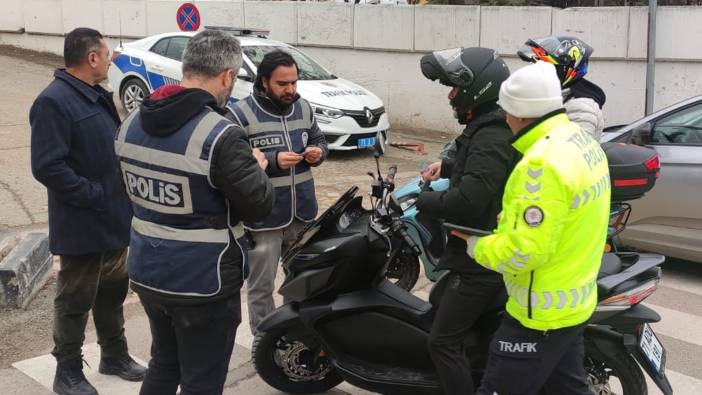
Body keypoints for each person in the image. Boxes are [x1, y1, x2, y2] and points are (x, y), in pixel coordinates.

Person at [114, 30, 274, 394]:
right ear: (228, 76)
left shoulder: (130, 123)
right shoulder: (221, 134)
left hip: (148, 271)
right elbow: (260, 206)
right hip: (204, 281)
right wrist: (258, 169)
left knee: (164, 364)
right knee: (202, 380)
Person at [454, 61, 610, 395]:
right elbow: (570, 215)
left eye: (507, 111)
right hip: (574, 304)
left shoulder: (541, 164)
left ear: (522, 114)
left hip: (537, 316)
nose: (505, 119)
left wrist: (475, 245)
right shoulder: (581, 143)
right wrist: (511, 222)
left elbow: (525, 251)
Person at [30, 27, 146, 395]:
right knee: (74, 300)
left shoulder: (95, 95)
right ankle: (66, 371)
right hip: (82, 222)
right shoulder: (54, 101)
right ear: (92, 58)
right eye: (107, 53)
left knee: (112, 293)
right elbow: (48, 166)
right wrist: (95, 193)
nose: (112, 58)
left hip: (113, 218)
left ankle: (114, 354)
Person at [415, 47, 517, 395]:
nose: (451, 95)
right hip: (479, 253)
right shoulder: (489, 125)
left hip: (480, 259)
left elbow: (469, 202)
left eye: (455, 88)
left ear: (477, 89)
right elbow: (486, 172)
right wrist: (446, 166)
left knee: (441, 342)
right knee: (439, 300)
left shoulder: (491, 134)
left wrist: (423, 199)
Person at [227, 50, 328, 333]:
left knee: (302, 280)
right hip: (264, 218)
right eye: (282, 84)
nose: (291, 90)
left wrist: (318, 152)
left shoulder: (304, 107)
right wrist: (272, 161)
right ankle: (265, 340)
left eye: (294, 82)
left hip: (303, 214)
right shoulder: (240, 113)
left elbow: (319, 138)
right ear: (263, 82)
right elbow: (232, 161)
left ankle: (296, 331)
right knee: (261, 286)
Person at [518, 35, 607, 140]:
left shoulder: (581, 107)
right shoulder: (553, 97)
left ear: (563, 70)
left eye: (545, 68)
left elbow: (573, 152)